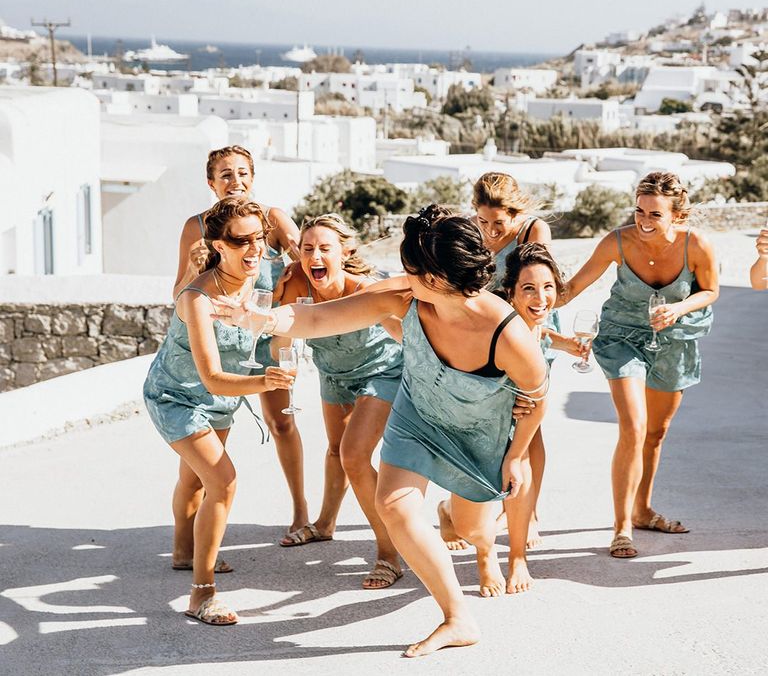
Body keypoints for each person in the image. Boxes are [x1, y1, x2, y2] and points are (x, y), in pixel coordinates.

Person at [216, 205, 548, 656]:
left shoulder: (506, 334)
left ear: (435, 278)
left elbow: (537, 395)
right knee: (393, 505)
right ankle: (457, 617)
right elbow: (318, 318)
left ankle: (464, 524)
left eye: (411, 268)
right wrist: (257, 318)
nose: (402, 274)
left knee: (473, 530)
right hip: (417, 418)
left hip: (477, 433)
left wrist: (515, 455)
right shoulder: (405, 297)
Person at [144, 197, 294, 625]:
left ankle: (182, 550)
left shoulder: (261, 278)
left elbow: (309, 271)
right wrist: (269, 381)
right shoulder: (197, 297)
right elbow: (210, 376)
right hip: (176, 396)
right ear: (217, 245)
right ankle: (202, 592)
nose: (254, 249)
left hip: (223, 398)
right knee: (223, 481)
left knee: (194, 479)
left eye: (259, 239)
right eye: (241, 241)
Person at [560, 171, 718, 559]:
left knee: (656, 432)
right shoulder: (618, 241)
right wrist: (527, 297)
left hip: (675, 340)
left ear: (677, 216)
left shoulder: (695, 245)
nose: (643, 221)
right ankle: (621, 528)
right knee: (633, 426)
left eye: (655, 215)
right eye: (639, 211)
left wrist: (679, 308)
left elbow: (711, 291)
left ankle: (643, 509)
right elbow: (572, 289)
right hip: (622, 339)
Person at [172, 145, 308, 548]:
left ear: (253, 176)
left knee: (282, 421)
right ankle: (192, 538)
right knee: (207, 438)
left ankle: (300, 509)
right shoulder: (195, 227)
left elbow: (309, 262)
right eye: (226, 175)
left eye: (243, 173)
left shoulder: (274, 218)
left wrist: (290, 270)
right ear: (211, 183)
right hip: (224, 342)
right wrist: (196, 272)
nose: (236, 182)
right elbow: (178, 293)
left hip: (268, 334)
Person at [273, 214, 405, 589]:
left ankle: (389, 553)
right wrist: (283, 350)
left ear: (345, 252)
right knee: (335, 450)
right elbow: (279, 336)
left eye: (324, 248)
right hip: (333, 373)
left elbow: (402, 331)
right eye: (308, 248)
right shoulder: (296, 281)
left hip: (382, 372)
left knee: (354, 456)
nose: (315, 255)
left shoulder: (365, 288)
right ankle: (325, 524)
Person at [437, 172, 556, 554]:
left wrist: (545, 336)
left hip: (528, 332)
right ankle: (455, 509)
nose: (489, 231)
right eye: (482, 221)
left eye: (498, 223)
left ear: (515, 213)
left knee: (530, 426)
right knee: (485, 427)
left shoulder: (533, 232)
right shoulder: (472, 231)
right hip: (484, 338)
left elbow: (543, 284)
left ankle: (527, 511)